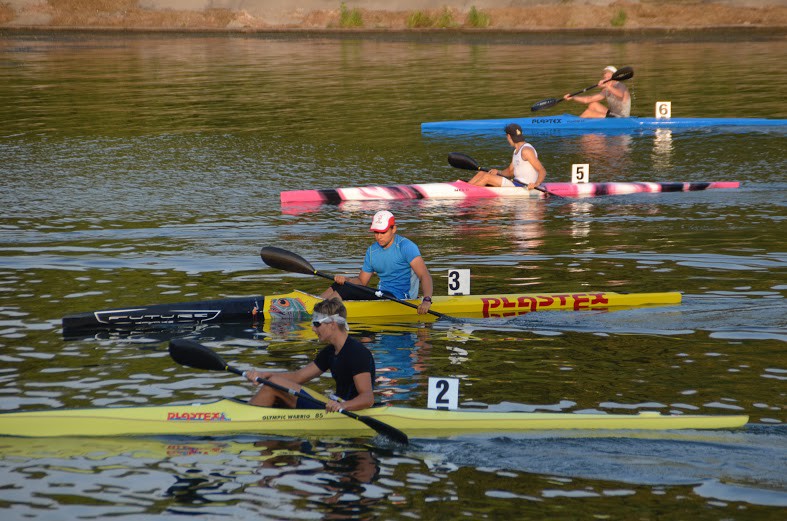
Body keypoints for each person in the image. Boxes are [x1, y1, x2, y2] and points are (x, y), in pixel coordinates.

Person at [245, 298, 375, 413]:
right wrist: (264, 375)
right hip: (335, 404)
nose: (313, 328)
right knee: (272, 384)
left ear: (332, 324)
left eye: (317, 324)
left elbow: (367, 398)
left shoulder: (357, 353)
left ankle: (244, 418)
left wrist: (343, 405)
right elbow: (298, 377)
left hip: (347, 410)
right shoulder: (330, 351)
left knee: (273, 384)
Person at [320, 210, 434, 315]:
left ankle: (319, 311)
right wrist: (347, 280)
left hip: (401, 298)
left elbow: (424, 275)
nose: (378, 237)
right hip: (381, 293)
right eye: (376, 232)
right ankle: (315, 303)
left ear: (393, 229)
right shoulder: (372, 251)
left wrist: (427, 300)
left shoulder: (406, 247)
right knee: (341, 285)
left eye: (383, 232)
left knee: (346, 289)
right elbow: (361, 281)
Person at [467, 123, 547, 190]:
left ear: (508, 136)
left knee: (487, 177)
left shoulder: (526, 150)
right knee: (482, 173)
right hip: (516, 183)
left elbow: (542, 170)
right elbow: (510, 171)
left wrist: (536, 184)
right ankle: (462, 189)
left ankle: (467, 192)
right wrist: (498, 172)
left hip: (524, 186)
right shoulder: (516, 151)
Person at [564, 65, 631, 118]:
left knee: (588, 112)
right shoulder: (606, 90)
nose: (606, 80)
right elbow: (587, 100)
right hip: (613, 115)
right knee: (593, 105)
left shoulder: (620, 85)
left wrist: (607, 86)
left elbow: (620, 95)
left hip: (621, 118)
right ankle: (585, 122)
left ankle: (575, 124)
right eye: (605, 78)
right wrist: (573, 97)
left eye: (608, 77)